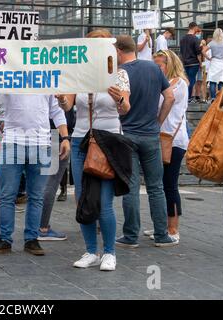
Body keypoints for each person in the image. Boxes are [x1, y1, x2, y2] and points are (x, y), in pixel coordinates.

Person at [53, 29, 131, 271]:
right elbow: (67, 103)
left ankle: (109, 253)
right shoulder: (79, 74)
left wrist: (119, 99)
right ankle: (90, 251)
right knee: (84, 199)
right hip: (81, 142)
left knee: (105, 202)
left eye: (101, 45)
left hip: (108, 142)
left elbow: (126, 108)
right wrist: (61, 100)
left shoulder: (119, 75)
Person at [114, 35, 179, 248]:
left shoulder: (122, 73)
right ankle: (162, 234)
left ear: (119, 51)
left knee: (131, 187)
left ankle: (131, 235)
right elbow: (170, 97)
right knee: (156, 187)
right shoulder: (153, 68)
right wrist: (158, 122)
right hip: (151, 134)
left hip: (128, 134)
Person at [0, 93, 70, 257]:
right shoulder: (8, 71)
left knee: (36, 196)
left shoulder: (46, 75)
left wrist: (65, 136)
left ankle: (31, 238)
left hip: (41, 143)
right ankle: (5, 238)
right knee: (7, 195)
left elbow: (57, 110)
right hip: (12, 141)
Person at [151, 50, 189, 242]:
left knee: (170, 184)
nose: (157, 68)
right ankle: (163, 225)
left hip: (174, 139)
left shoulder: (179, 84)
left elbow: (170, 104)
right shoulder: (161, 83)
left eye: (160, 65)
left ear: (170, 64)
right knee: (160, 184)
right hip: (161, 138)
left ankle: (173, 228)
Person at [37, 107, 75, 241]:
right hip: (56, 135)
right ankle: (42, 227)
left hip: (49, 134)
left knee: (47, 183)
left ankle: (38, 224)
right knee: (51, 184)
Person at [180, 22, 204, 101]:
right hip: (194, 63)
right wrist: (200, 63)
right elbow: (198, 53)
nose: (197, 29)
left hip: (185, 63)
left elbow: (182, 52)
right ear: (194, 27)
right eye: (197, 28)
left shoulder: (182, 39)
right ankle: (188, 97)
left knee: (187, 79)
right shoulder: (195, 39)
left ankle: (187, 97)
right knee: (191, 80)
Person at [204, 28, 223, 100]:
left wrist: (208, 58)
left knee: (212, 81)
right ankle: (220, 99)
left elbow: (203, 51)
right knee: (221, 81)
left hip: (214, 62)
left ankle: (213, 98)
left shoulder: (212, 43)